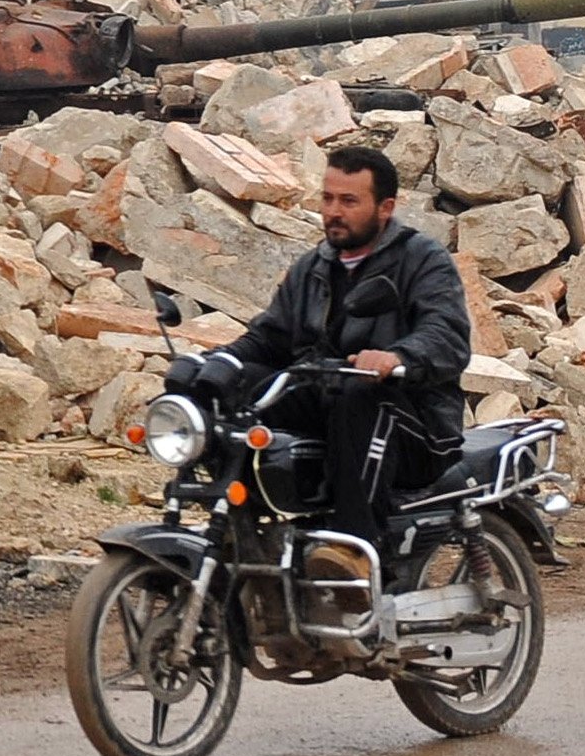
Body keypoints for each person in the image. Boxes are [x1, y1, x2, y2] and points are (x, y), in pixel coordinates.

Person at [181, 141, 474, 552]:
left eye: (349, 201)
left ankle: (354, 548)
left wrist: (398, 357)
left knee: (358, 393)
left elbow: (447, 334)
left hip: (417, 425)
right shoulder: (313, 267)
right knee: (231, 391)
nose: (334, 211)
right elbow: (270, 337)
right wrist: (216, 363)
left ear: (385, 207)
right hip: (328, 404)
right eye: (328, 198)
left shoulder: (422, 259)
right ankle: (240, 535)